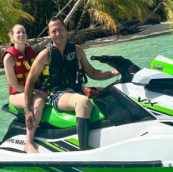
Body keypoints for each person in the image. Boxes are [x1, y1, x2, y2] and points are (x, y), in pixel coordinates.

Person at [24, 17, 119, 150]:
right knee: (82, 102)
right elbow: (30, 81)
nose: (58, 34)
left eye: (60, 30)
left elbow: (93, 73)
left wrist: (113, 73)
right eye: (54, 31)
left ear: (65, 30)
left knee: (115, 92)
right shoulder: (45, 55)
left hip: (78, 90)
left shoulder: (77, 50)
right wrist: (28, 109)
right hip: (58, 95)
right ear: (49, 34)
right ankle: (84, 150)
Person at [2, 24, 47, 153]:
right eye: (18, 33)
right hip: (17, 95)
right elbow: (15, 86)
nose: (21, 35)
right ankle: (29, 143)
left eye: (23, 32)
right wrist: (36, 91)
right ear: (12, 37)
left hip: (33, 90)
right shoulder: (9, 58)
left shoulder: (30, 51)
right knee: (38, 101)